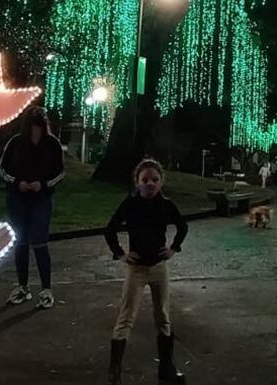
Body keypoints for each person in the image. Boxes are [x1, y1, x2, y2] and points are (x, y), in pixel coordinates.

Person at [104, 159, 189, 385]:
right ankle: (115, 372)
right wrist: (121, 254)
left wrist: (173, 248)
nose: (150, 184)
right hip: (136, 269)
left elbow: (183, 226)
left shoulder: (166, 205)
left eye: (154, 180)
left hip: (159, 268)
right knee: (126, 317)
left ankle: (166, 367)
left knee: (163, 316)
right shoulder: (130, 205)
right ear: (137, 182)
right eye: (145, 180)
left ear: (161, 182)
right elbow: (110, 230)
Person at [0, 106, 65, 309]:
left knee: (39, 241)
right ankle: (22, 286)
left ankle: (46, 289)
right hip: (18, 198)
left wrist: (43, 184)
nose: (36, 132)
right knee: (21, 242)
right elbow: (3, 168)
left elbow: (60, 172)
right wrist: (17, 183)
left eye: (40, 127)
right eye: (33, 127)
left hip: (41, 199)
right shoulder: (16, 143)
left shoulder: (52, 144)